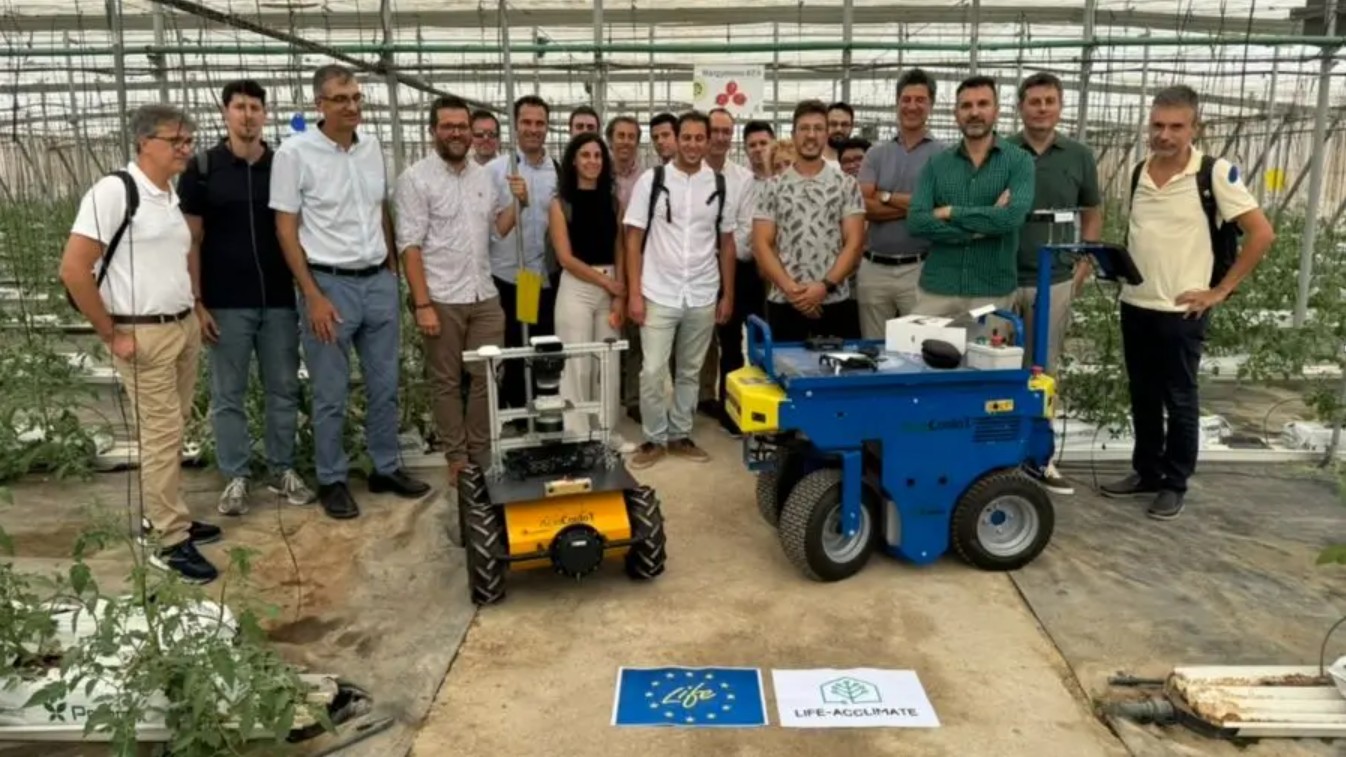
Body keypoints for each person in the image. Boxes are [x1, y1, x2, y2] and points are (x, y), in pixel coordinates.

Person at [59, 103, 222, 583]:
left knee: (173, 428)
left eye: (188, 141)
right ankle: (169, 541)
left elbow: (177, 258)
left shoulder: (166, 194)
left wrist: (192, 309)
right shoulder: (114, 191)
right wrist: (111, 333)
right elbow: (73, 270)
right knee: (160, 434)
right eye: (176, 141)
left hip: (179, 327)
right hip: (141, 331)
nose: (186, 150)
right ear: (143, 142)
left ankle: (170, 515)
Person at [1101, 85, 1275, 520]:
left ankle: (1175, 482)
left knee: (1179, 397)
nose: (1165, 134)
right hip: (1137, 301)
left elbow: (1262, 234)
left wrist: (1219, 291)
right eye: (1157, 125)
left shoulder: (1214, 173)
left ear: (1195, 128)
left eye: (1176, 126)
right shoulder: (1140, 170)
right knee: (1142, 393)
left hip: (1182, 310)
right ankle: (1146, 472)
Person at [270, 64, 430, 521]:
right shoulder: (295, 153)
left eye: (357, 98)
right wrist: (313, 294)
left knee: (385, 385)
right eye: (341, 99)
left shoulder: (372, 148)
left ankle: (384, 467)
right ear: (319, 104)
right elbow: (286, 229)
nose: (352, 107)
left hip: (376, 279)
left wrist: (392, 268)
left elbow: (379, 206)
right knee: (330, 392)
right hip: (330, 284)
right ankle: (332, 478)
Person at [179, 79, 314, 517]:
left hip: (277, 299)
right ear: (225, 113)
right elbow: (192, 240)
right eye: (240, 107)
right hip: (226, 301)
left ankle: (282, 468)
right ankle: (236, 475)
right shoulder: (203, 169)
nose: (248, 115)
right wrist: (198, 301)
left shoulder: (283, 165)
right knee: (227, 393)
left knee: (283, 388)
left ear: (266, 114)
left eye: (256, 107)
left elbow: (296, 230)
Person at [396, 95, 524, 483]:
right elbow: (409, 246)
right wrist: (423, 304)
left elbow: (496, 232)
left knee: (487, 374)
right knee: (447, 380)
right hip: (441, 295)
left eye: (462, 127)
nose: (457, 133)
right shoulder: (415, 179)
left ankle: (481, 451)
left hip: (483, 292)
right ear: (433, 130)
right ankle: (456, 457)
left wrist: (519, 204)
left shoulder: (483, 177)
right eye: (448, 126)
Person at [1004, 72, 1104, 497]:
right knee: (999, 369)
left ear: (1059, 107)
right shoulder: (1004, 151)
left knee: (1044, 371)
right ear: (1021, 107)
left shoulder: (1078, 155)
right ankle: (1002, 457)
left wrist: (1083, 265)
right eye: (1034, 101)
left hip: (1056, 279)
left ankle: (1041, 458)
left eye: (1049, 101)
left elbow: (1092, 211)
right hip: (1005, 278)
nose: (1041, 108)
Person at [623, 111, 736, 468]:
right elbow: (633, 238)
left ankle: (680, 434)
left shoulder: (717, 185)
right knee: (653, 369)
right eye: (685, 137)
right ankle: (654, 438)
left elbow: (727, 243)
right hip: (659, 291)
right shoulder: (652, 180)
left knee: (689, 369)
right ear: (675, 139)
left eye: (698, 138)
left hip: (702, 291)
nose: (691, 144)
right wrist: (635, 293)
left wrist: (727, 294)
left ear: (707, 141)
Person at [907, 75, 1035, 339]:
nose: (974, 112)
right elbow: (917, 221)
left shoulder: (1019, 162)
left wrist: (950, 212)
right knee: (925, 367)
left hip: (991, 291)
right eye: (966, 106)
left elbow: (1011, 218)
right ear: (956, 114)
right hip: (937, 290)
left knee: (986, 370)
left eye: (983, 104)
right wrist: (981, 228)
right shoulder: (937, 165)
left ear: (996, 111)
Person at [548, 132, 634, 451]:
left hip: (610, 285)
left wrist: (619, 292)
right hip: (578, 287)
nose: (592, 161)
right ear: (573, 160)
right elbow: (565, 258)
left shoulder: (613, 201)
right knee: (577, 363)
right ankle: (576, 433)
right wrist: (607, 284)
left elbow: (619, 246)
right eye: (585, 155)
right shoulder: (560, 204)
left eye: (598, 156)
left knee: (607, 363)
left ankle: (606, 432)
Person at [753, 99, 866, 341]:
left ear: (826, 135)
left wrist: (824, 286)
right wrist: (793, 291)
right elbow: (761, 244)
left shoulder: (846, 184)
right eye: (804, 128)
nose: (811, 135)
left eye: (818, 128)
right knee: (783, 375)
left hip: (833, 301)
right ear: (793, 135)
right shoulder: (772, 187)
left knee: (834, 374)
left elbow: (854, 242)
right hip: (784, 303)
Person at [856, 68, 945, 338]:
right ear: (897, 104)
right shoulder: (876, 153)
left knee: (917, 349)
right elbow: (864, 205)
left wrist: (884, 195)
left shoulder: (944, 155)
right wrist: (919, 207)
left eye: (920, 100)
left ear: (931, 104)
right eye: (906, 99)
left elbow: (939, 209)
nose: (912, 106)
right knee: (873, 351)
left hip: (919, 269)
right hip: (874, 269)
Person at [486, 95, 559, 417]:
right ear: (515, 126)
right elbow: (488, 228)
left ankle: (545, 411)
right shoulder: (496, 171)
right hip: (510, 277)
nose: (533, 129)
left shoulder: (557, 171)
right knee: (514, 348)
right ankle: (515, 413)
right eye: (526, 122)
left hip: (542, 276)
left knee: (545, 347)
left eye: (539, 123)